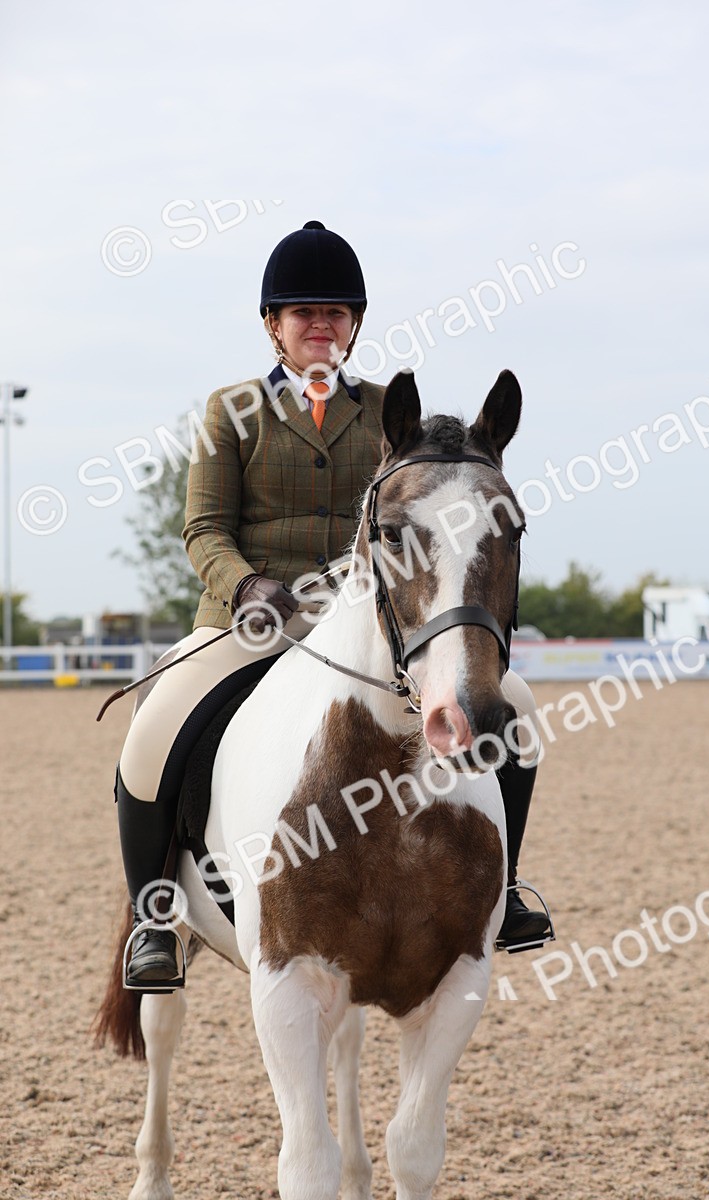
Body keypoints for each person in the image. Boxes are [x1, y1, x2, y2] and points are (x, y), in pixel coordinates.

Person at [114, 220, 552, 989]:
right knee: (153, 729)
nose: (322, 325)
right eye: (305, 313)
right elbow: (204, 527)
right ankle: (154, 914)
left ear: (354, 326)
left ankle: (504, 890)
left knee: (511, 707)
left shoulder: (392, 411)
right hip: (250, 621)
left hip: (365, 624)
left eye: (337, 314)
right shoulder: (231, 410)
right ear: (273, 328)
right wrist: (248, 584)